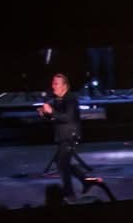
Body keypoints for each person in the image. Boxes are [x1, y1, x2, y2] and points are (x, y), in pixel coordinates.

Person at [35, 72, 101, 200]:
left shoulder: (70, 99)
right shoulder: (57, 99)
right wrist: (45, 114)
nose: (53, 86)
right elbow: (55, 118)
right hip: (62, 136)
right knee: (62, 163)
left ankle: (69, 193)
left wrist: (51, 111)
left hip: (70, 136)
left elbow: (67, 117)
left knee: (62, 164)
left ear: (65, 86)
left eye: (56, 83)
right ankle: (85, 180)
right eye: (52, 83)